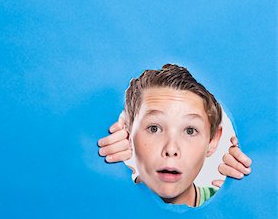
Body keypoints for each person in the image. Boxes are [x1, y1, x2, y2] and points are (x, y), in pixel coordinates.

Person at [98, 64, 252, 206]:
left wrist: (241, 188)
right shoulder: (106, 199)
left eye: (190, 131)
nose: (171, 149)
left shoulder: (229, 208)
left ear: (213, 140)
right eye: (154, 128)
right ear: (128, 133)